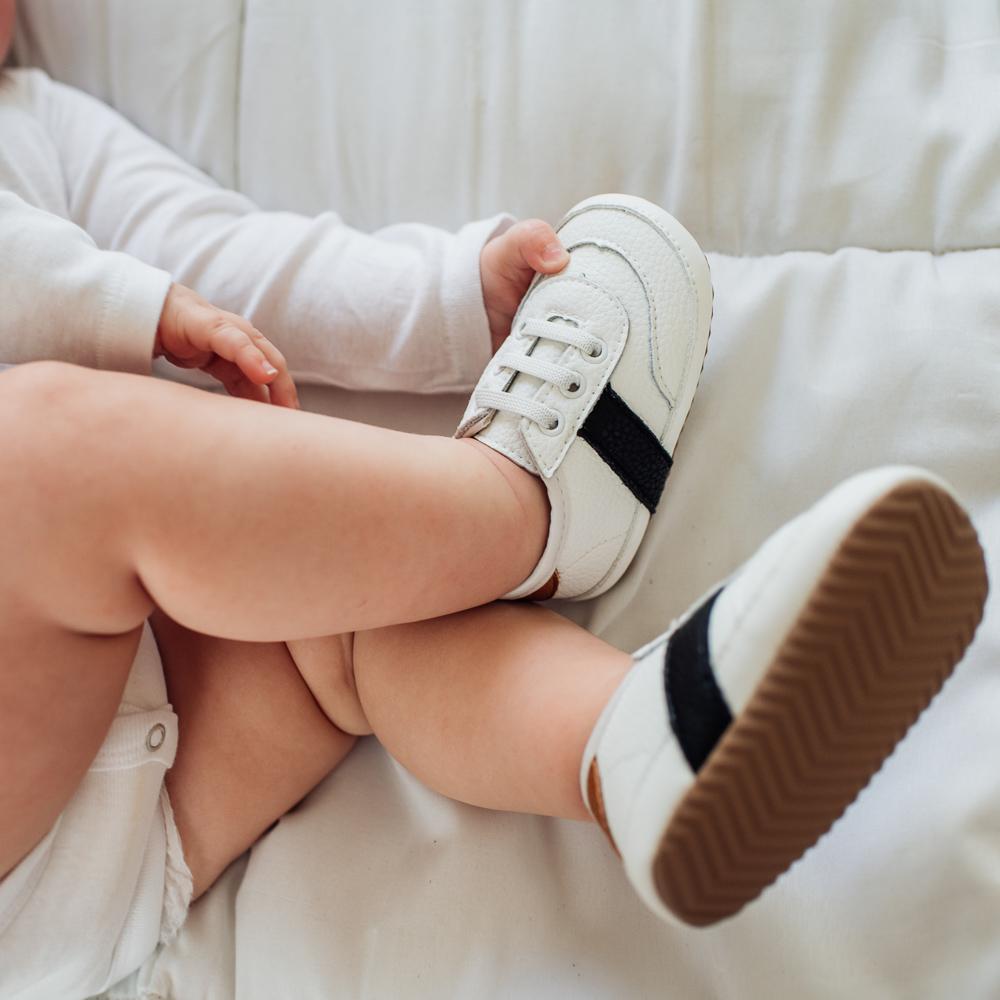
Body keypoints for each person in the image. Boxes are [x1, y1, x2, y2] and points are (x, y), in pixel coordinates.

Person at [0, 10, 989, 998]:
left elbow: (225, 257)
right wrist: (112, 306)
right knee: (43, 453)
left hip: (117, 831)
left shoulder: (36, 122)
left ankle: (629, 741)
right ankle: (524, 508)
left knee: (352, 611)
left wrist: (448, 296)